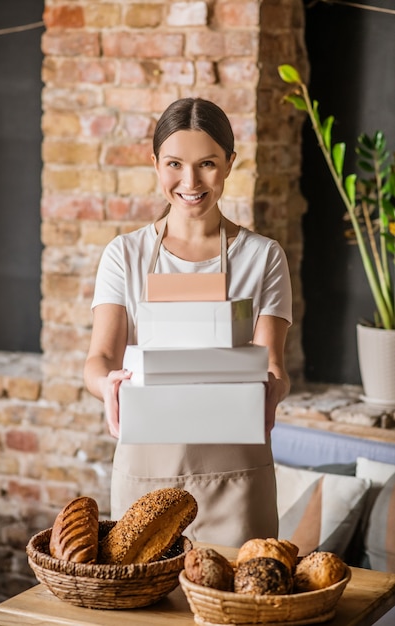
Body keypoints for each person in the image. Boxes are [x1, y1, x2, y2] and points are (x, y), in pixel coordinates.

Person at [84, 97, 292, 547]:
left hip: (237, 477)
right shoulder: (125, 255)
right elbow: (99, 357)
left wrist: (274, 389)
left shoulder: (263, 256)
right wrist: (107, 387)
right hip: (145, 476)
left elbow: (272, 362)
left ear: (230, 164)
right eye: (175, 163)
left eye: (208, 164)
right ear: (155, 162)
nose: (190, 181)